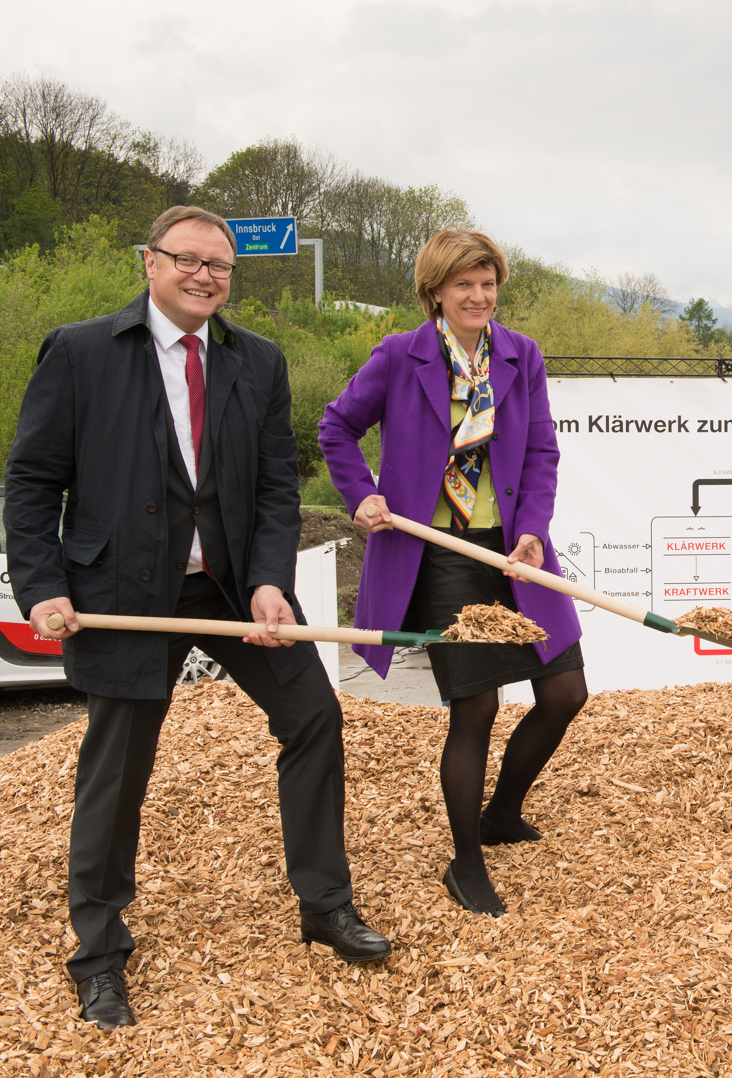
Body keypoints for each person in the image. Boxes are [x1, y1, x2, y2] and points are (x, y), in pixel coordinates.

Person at [4, 206, 389, 1031]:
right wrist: (41, 585)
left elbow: (276, 487)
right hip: (122, 596)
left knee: (314, 717)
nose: (205, 276)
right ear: (150, 262)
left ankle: (324, 905)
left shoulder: (260, 361)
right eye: (188, 260)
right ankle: (99, 952)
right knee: (117, 769)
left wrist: (269, 580)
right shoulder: (79, 352)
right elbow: (33, 480)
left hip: (229, 588)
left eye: (219, 265)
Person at [319, 228, 586, 917]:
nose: (479, 296)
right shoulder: (398, 355)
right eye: (464, 284)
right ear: (435, 290)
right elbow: (336, 428)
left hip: (515, 550)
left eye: (488, 283)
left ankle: (502, 814)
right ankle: (465, 863)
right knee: (477, 708)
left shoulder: (521, 355)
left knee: (565, 693)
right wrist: (360, 494)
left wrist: (532, 531)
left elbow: (541, 452)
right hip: (436, 551)